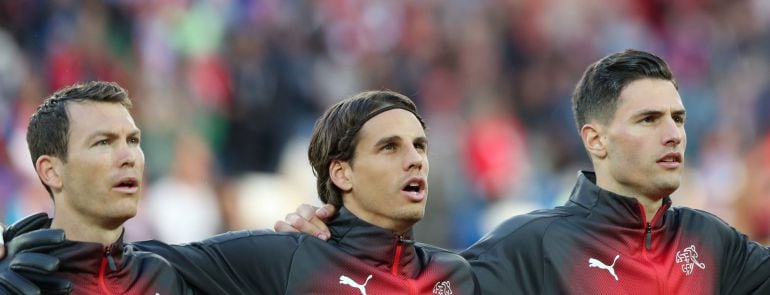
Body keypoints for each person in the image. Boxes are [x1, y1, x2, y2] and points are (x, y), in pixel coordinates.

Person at [279, 49, 770, 294]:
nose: (674, 134)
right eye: (649, 119)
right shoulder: (530, 247)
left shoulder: (711, 241)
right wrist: (329, 244)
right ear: (594, 139)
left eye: (678, 118)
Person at [2, 90, 478, 294]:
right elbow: (104, 260)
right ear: (342, 173)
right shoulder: (283, 259)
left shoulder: (459, 275)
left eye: (419, 145)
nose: (415, 158)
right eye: (390, 147)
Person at [0, 81, 193, 294]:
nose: (129, 157)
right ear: (51, 171)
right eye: (103, 142)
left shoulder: (167, 272)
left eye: (133, 140)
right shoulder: (17, 282)